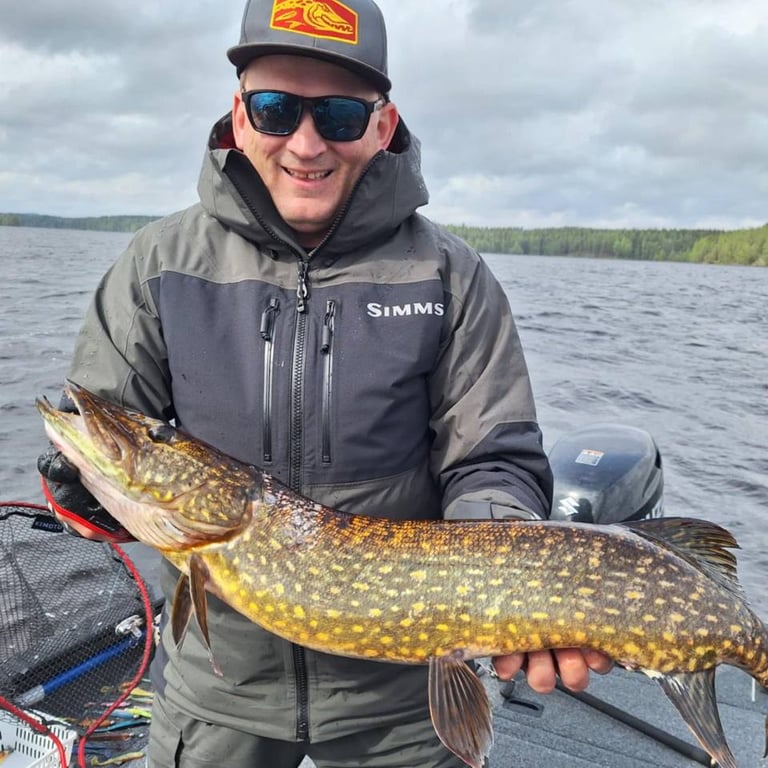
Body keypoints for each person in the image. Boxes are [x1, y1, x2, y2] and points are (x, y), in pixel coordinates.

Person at [37, 0, 612, 765]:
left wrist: (507, 586)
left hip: (405, 699)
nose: (306, 144)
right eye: (276, 109)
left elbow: (493, 459)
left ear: (382, 124)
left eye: (339, 115)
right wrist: (81, 488)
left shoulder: (449, 277)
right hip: (217, 692)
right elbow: (108, 455)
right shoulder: (158, 266)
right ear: (239, 115)